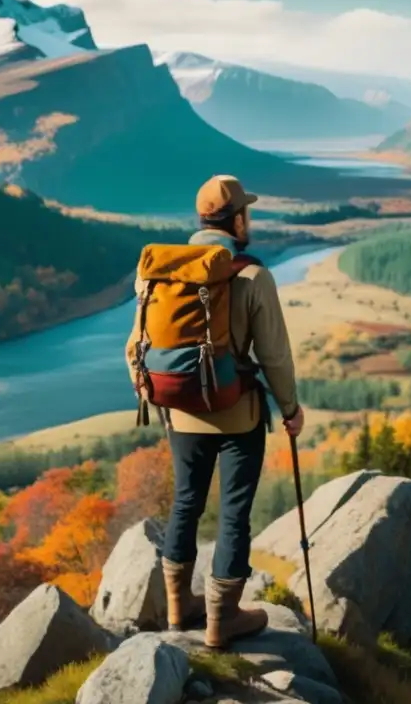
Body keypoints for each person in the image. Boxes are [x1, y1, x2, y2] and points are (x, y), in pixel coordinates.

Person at [125, 174, 304, 649]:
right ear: (237, 220)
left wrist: (163, 395)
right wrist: (290, 408)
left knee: (186, 501)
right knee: (233, 514)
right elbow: (275, 356)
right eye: (247, 213)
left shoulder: (162, 273)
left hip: (180, 412)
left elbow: (134, 348)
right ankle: (223, 623)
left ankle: (180, 610)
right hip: (237, 414)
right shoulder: (251, 275)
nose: (250, 220)